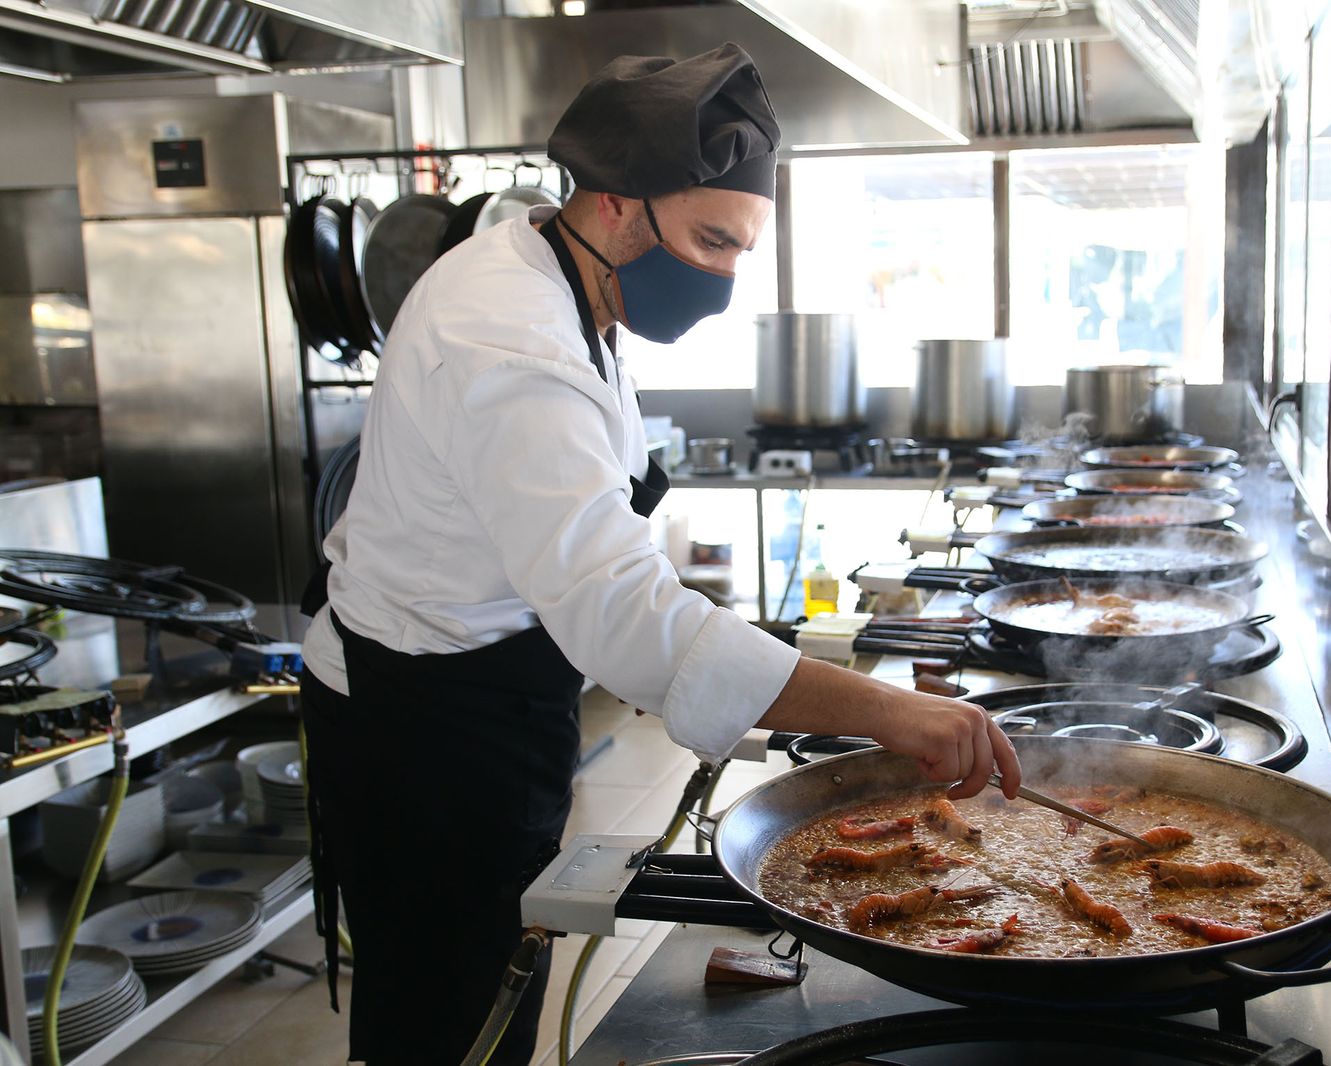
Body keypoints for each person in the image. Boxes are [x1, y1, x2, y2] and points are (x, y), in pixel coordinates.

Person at [298, 43, 1022, 1066]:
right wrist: (894, 714)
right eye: (711, 241)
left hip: (505, 685)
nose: (724, 277)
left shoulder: (567, 282)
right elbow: (626, 618)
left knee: (501, 977)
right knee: (442, 1016)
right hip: (419, 724)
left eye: (739, 251)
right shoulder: (504, 337)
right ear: (614, 203)